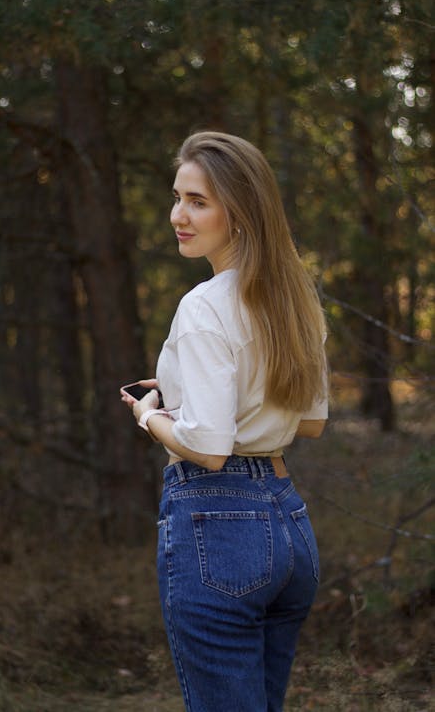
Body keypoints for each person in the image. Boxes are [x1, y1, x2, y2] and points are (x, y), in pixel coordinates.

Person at [121, 131, 328, 712]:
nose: (177, 216)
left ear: (240, 212)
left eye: (197, 202)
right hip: (288, 523)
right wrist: (188, 392)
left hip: (219, 523)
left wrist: (149, 415)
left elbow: (208, 448)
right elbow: (309, 422)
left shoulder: (204, 305)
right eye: (178, 197)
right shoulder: (295, 299)